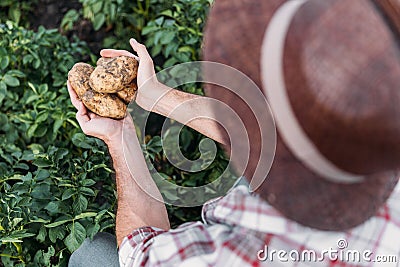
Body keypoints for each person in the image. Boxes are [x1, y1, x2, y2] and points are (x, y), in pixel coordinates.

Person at [68, 0, 400, 266]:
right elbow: (276, 136)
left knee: (92, 256)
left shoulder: (238, 254)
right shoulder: (379, 133)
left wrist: (120, 135)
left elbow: (138, 251)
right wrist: (157, 96)